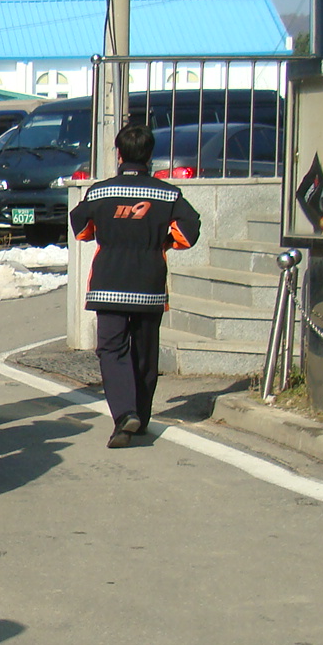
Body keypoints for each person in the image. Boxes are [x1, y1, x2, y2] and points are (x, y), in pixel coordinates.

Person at [69, 121, 202, 447]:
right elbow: (189, 231)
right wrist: (165, 241)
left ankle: (125, 413)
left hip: (109, 282)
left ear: (119, 154)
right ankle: (140, 416)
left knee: (112, 348)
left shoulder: (100, 191)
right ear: (150, 156)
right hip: (149, 282)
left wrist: (105, 230)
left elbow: (81, 228)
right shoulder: (167, 193)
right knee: (145, 351)